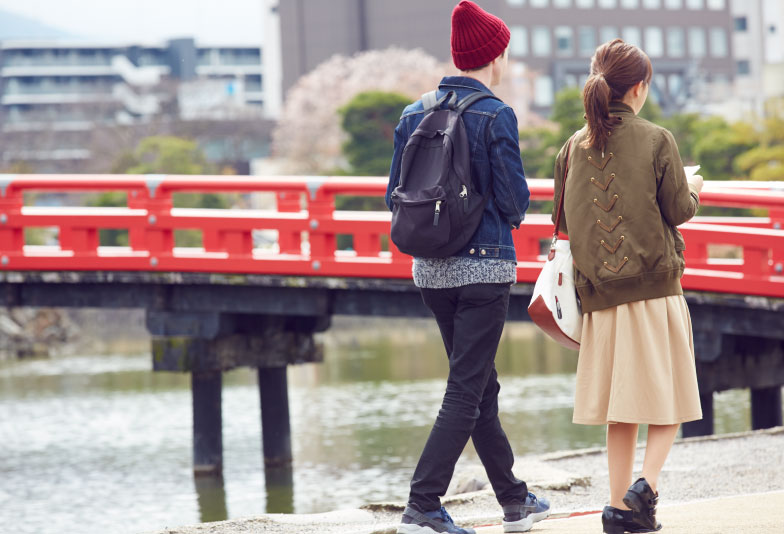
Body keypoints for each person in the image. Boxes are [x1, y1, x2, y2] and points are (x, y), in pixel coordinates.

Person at [385, 2, 550, 534]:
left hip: (431, 271)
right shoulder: (495, 114)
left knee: (480, 384)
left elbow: (396, 194)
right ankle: (423, 504)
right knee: (466, 386)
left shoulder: (414, 113)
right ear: (493, 56)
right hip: (483, 272)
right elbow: (515, 202)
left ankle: (514, 499)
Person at [552, 39, 704, 534]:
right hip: (655, 290)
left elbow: (563, 221)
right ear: (638, 88)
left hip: (600, 299)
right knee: (673, 399)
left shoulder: (571, 148)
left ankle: (619, 511)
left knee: (624, 411)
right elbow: (678, 211)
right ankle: (646, 488)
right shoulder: (658, 139)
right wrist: (693, 187)